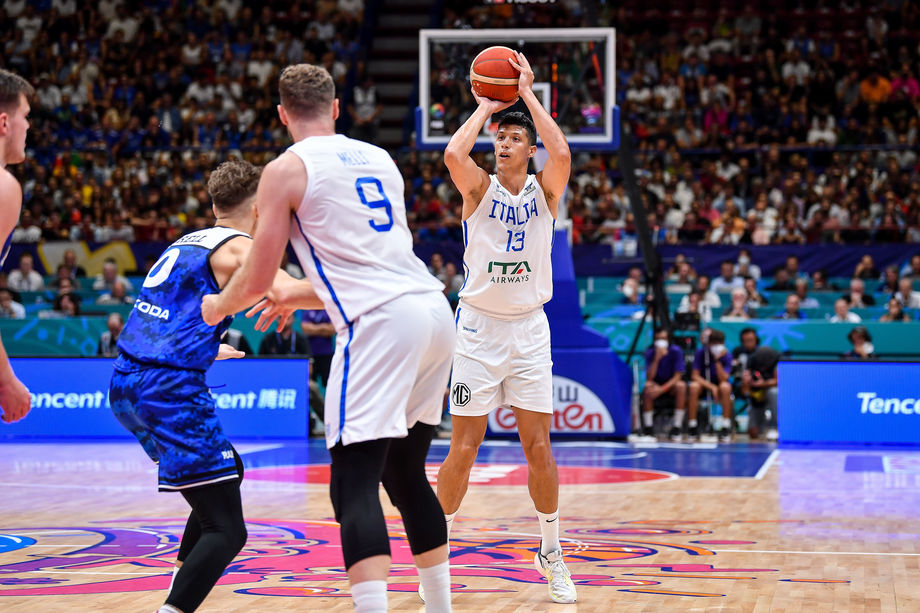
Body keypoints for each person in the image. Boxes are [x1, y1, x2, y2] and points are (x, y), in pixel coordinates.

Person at [200, 64, 455, 613]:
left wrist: (218, 306)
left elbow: (260, 273)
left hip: (382, 326)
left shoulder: (284, 170)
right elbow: (370, 268)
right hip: (433, 311)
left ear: (282, 114)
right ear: (337, 108)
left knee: (353, 487)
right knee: (405, 474)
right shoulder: (381, 159)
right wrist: (294, 296)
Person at [109, 160, 318, 613]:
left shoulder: (186, 242)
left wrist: (203, 348)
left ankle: (182, 578)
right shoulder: (240, 245)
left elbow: (159, 317)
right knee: (228, 530)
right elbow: (286, 291)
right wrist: (378, 286)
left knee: (228, 477)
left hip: (125, 383)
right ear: (260, 206)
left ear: (214, 203)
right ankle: (175, 606)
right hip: (168, 390)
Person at [432, 51, 577, 605]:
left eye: (514, 139)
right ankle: (437, 554)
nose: (504, 144)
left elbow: (561, 149)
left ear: (529, 149)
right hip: (477, 331)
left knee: (538, 445)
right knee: (463, 448)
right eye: (500, 140)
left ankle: (551, 550)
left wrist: (528, 94)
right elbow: (451, 151)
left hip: (528, 332)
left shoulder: (545, 191)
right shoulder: (477, 190)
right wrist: (487, 106)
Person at [0, 69, 33, 423]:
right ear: (5, 122)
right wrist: (6, 380)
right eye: (26, 117)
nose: (29, 127)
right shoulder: (4, 186)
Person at [636, 328, 687, 442]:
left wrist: (663, 389)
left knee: (681, 386)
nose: (661, 341)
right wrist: (657, 359)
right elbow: (649, 377)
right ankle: (648, 428)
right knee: (648, 386)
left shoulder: (676, 351)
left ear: (668, 340)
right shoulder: (650, 352)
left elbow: (678, 376)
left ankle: (677, 427)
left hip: (670, 386)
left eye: (663, 339)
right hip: (656, 385)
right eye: (658, 339)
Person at [688, 328, 734, 442]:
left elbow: (724, 378)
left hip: (720, 386)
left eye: (719, 343)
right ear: (709, 343)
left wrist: (717, 360)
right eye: (714, 343)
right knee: (693, 386)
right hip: (704, 385)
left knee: (725, 387)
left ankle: (725, 426)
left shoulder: (727, 355)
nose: (716, 346)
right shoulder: (701, 353)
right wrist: (711, 387)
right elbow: (695, 375)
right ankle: (692, 425)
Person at [300, 308, 334, 388]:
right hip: (312, 353)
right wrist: (323, 328)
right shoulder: (308, 311)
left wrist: (313, 328)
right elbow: (305, 328)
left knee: (330, 383)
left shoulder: (329, 311)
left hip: (327, 353)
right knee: (310, 384)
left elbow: (332, 329)